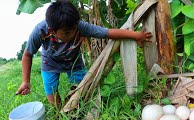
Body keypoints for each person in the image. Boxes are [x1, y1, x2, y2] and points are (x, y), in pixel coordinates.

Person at [16, 0, 152, 108]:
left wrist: (136, 35)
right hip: (50, 63)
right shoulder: (40, 31)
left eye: (74, 30)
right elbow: (27, 55)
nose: (73, 34)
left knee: (83, 89)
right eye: (67, 32)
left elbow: (108, 33)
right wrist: (25, 81)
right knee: (51, 93)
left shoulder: (79, 27)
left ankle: (77, 110)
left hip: (73, 62)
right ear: (52, 30)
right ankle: (60, 116)